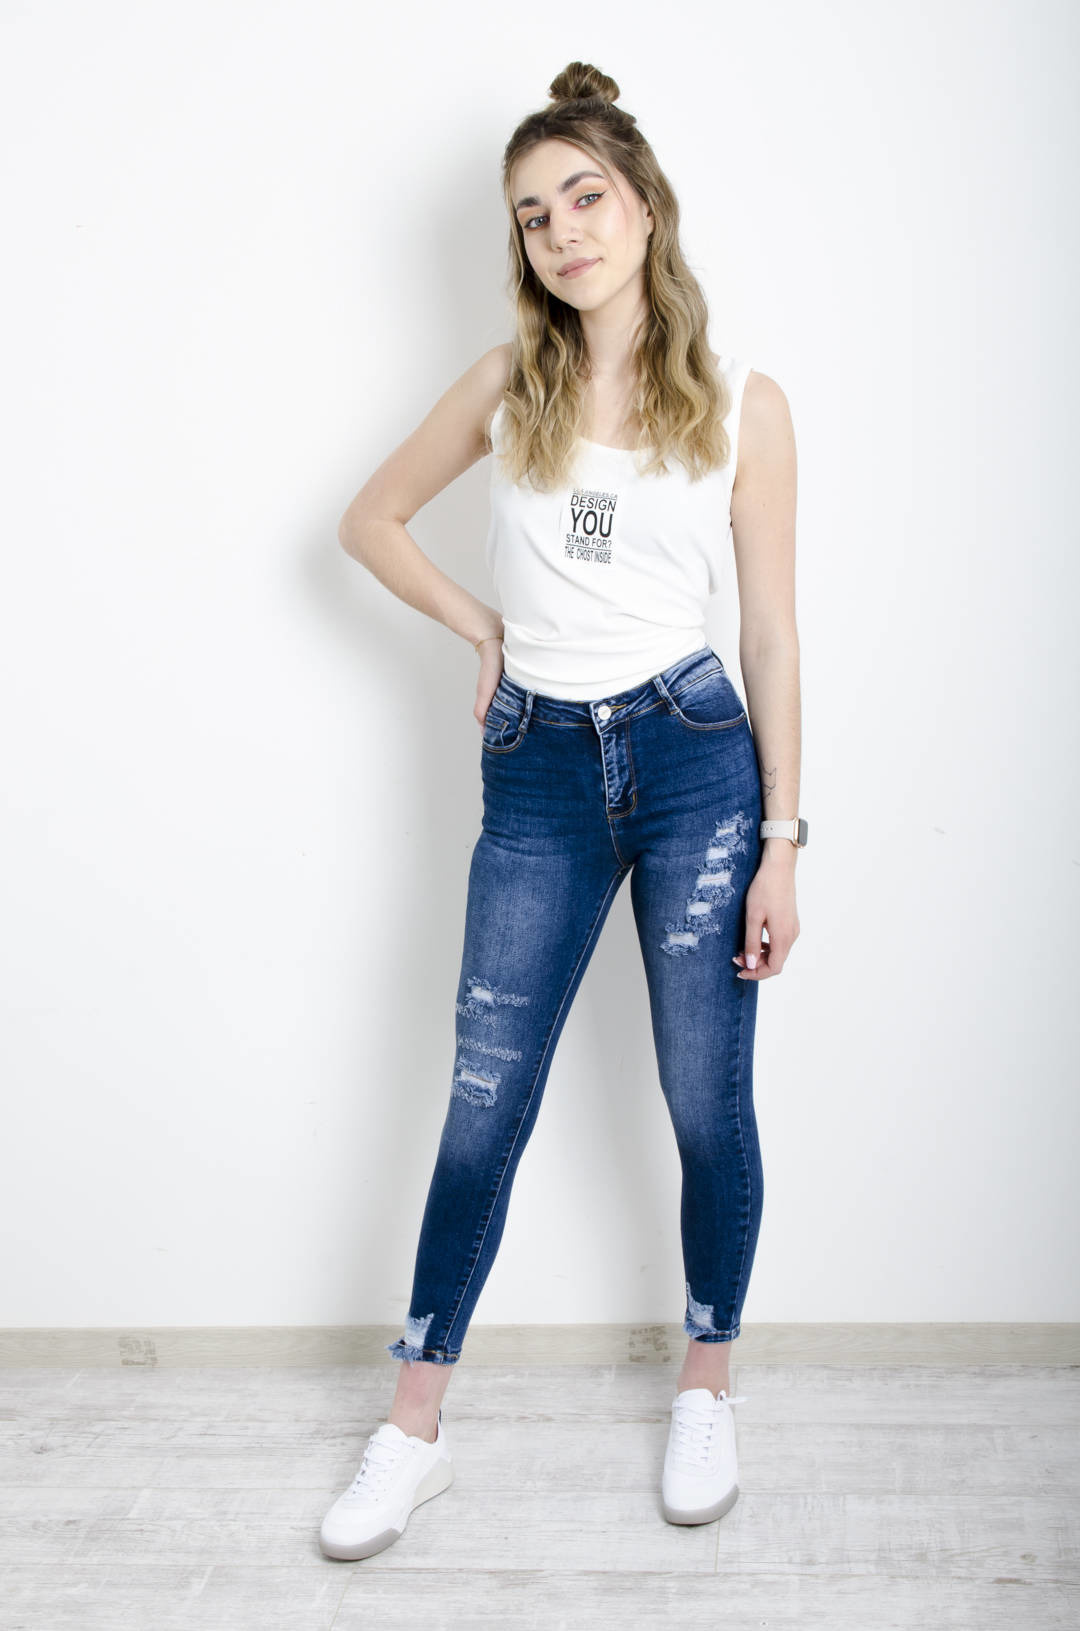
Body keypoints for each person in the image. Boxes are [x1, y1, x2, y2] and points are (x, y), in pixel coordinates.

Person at [320, 60, 804, 1562]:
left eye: (586, 197)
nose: (564, 231)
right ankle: (414, 1427)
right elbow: (367, 520)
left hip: (696, 761)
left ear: (644, 204)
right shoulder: (505, 385)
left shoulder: (744, 405)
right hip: (535, 765)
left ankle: (708, 1381)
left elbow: (772, 632)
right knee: (485, 1103)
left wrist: (784, 838)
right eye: (535, 215)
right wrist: (482, 628)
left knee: (705, 1098)